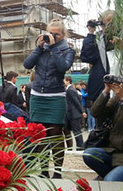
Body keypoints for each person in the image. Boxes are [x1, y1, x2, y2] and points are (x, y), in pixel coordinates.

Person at [23, 18, 76, 178]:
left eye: (57, 34)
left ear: (63, 34)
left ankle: (58, 172)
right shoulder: (41, 48)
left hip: (55, 96)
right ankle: (44, 171)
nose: (53, 36)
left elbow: (63, 67)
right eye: (50, 33)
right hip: (38, 95)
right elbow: (27, 64)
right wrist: (39, 48)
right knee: (40, 135)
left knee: (55, 134)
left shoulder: (68, 50)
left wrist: (53, 47)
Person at [80, 10, 123, 127]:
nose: (106, 27)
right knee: (102, 125)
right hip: (101, 89)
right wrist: (91, 33)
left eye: (110, 23)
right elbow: (86, 57)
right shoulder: (97, 39)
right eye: (103, 24)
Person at [63, 76, 86, 150]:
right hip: (71, 114)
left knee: (77, 131)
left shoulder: (70, 90)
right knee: (75, 131)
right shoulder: (71, 89)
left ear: (68, 81)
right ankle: (79, 145)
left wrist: (82, 111)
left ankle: (80, 146)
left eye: (64, 80)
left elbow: (76, 101)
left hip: (74, 114)